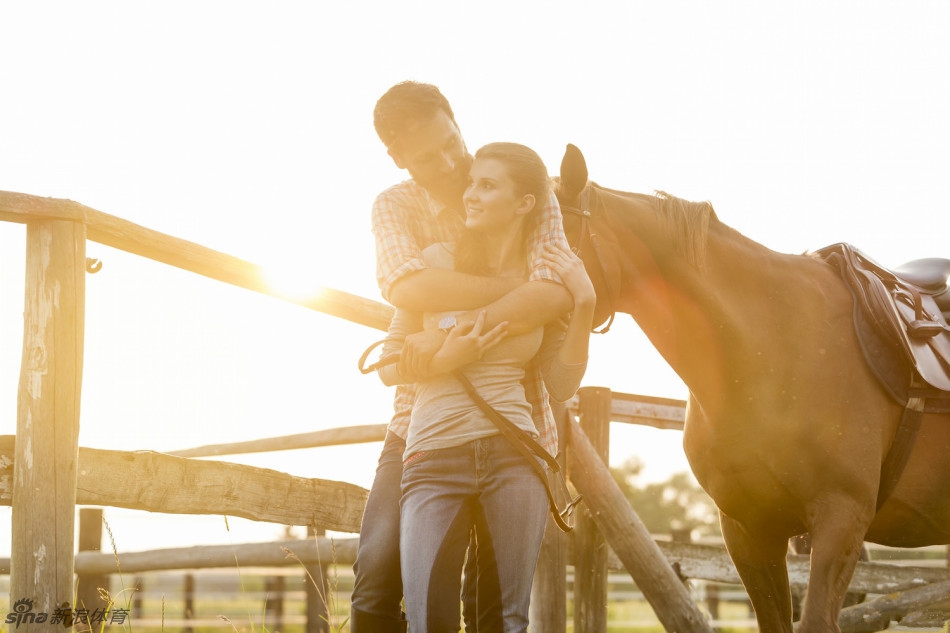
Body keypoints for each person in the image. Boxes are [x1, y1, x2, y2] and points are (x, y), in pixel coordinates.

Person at [350, 82, 575, 633]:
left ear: (456, 120)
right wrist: (509, 292)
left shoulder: (524, 186)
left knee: (495, 601)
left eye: (453, 141)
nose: (452, 163)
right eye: (428, 156)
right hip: (420, 418)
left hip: (512, 418)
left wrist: (452, 325)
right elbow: (406, 288)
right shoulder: (395, 207)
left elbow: (556, 290)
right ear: (397, 157)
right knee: (377, 576)